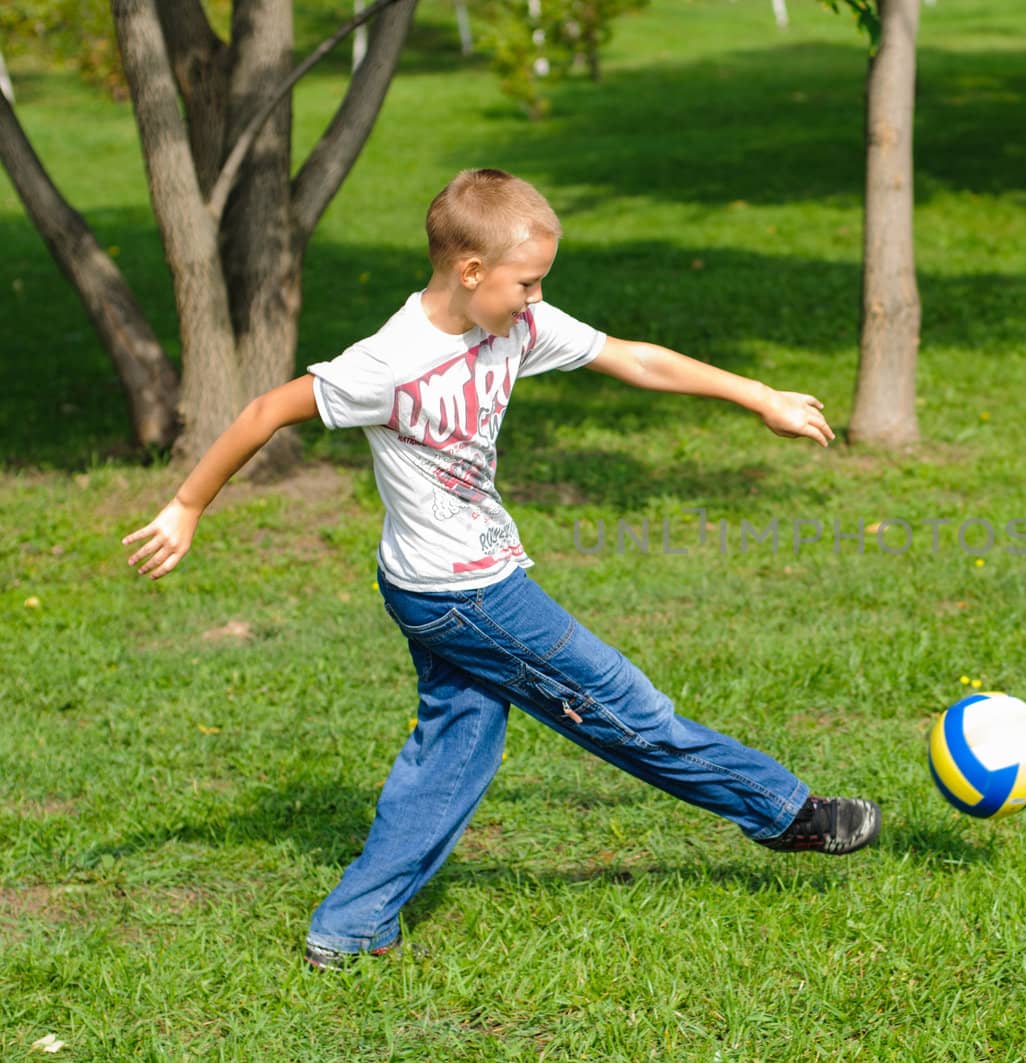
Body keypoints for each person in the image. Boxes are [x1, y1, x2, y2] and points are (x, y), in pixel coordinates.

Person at [123, 168, 881, 970]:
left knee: (455, 749)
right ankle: (786, 811)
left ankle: (351, 925)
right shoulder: (392, 361)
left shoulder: (514, 324)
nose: (537, 297)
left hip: (436, 583)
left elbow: (632, 358)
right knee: (627, 707)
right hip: (466, 593)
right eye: (527, 281)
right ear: (469, 270)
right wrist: (187, 505)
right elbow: (263, 411)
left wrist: (757, 393)